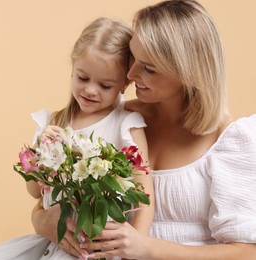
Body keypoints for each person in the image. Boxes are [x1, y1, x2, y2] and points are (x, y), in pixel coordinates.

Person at [32, 0, 256, 259]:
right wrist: (41, 219)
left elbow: (247, 252)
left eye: (148, 68)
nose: (131, 73)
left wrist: (145, 248)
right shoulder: (115, 117)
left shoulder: (231, 138)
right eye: (132, 58)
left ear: (189, 73)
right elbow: (53, 193)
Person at [0, 17, 154, 260]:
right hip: (54, 241)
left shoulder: (125, 126)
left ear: (124, 84)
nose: (90, 90)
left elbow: (145, 198)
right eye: (83, 78)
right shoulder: (55, 122)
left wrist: (133, 252)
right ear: (73, 68)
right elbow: (35, 191)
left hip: (98, 249)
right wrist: (40, 152)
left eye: (105, 85)